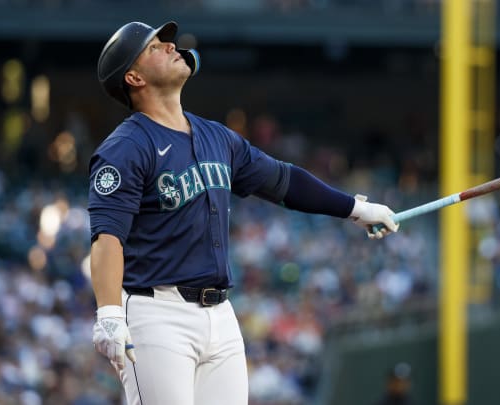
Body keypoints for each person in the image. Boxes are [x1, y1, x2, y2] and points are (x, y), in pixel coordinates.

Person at [88, 21, 399, 405]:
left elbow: (283, 182)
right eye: (154, 46)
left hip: (220, 314)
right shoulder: (125, 147)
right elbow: (107, 237)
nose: (170, 47)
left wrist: (355, 207)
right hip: (157, 314)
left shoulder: (216, 136)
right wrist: (110, 314)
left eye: (166, 42)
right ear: (133, 77)